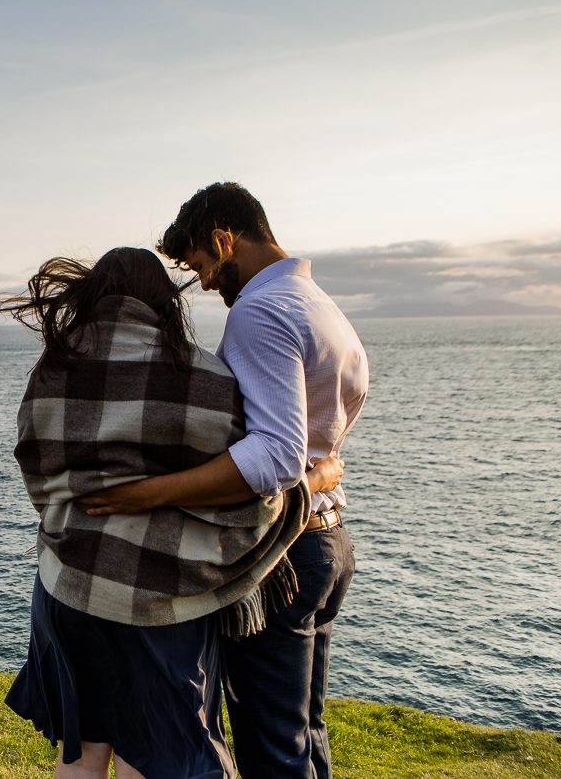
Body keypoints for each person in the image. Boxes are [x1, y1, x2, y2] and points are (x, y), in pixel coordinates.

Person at [0, 246, 344, 779]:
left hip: (68, 589)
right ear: (161, 302)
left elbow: (37, 472)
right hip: (159, 602)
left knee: (80, 757)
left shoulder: (52, 373)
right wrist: (313, 481)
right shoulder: (205, 379)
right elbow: (248, 491)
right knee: (148, 760)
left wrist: (88, 514)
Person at [78, 184, 369, 778]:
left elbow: (274, 457)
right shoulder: (320, 305)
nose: (206, 284)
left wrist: (151, 491)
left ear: (223, 237)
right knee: (305, 735)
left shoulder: (260, 310)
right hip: (329, 541)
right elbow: (320, 434)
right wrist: (319, 472)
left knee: (272, 752)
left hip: (282, 553)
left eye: (203, 265)